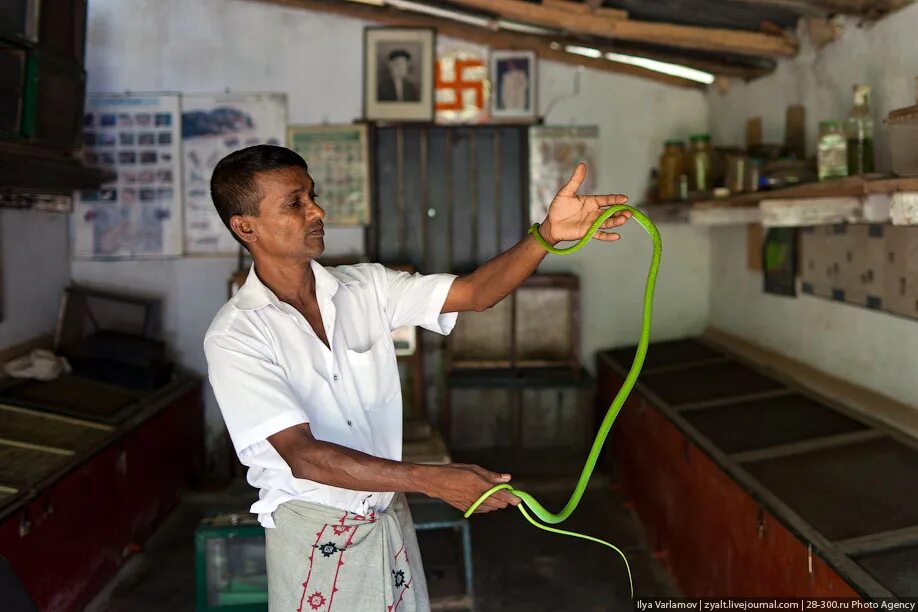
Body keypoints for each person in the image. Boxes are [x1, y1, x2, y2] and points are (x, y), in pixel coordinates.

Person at [204, 145, 630, 611]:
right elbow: (303, 457)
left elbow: (476, 293)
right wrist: (434, 480)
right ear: (245, 226)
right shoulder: (235, 335)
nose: (317, 211)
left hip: (388, 517)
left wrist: (547, 236)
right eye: (295, 203)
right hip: (314, 535)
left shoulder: (364, 287)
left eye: (313, 196)